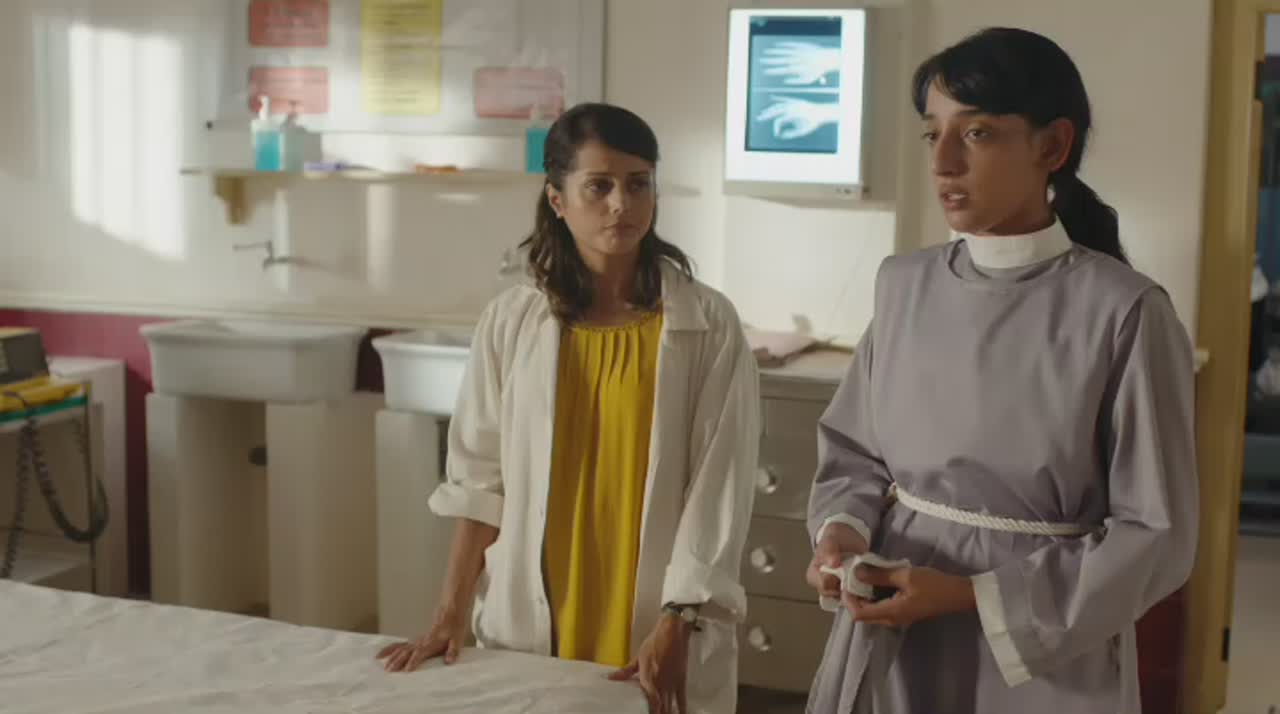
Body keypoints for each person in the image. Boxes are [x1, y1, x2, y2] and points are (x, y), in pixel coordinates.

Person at [804, 28, 1198, 714]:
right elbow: (854, 453)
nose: (943, 163)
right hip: (894, 628)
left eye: (977, 133)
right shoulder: (903, 286)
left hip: (1045, 657)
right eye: (933, 134)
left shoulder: (1125, 312)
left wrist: (970, 596)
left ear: (1052, 146)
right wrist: (842, 533)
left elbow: (1156, 534)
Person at [375, 102, 760, 714]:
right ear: (558, 199)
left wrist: (680, 618)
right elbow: (479, 481)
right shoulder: (511, 320)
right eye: (599, 186)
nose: (622, 204)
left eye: (638, 184)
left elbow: (720, 488)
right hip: (535, 606)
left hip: (653, 611)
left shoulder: (707, 322)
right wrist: (448, 614)